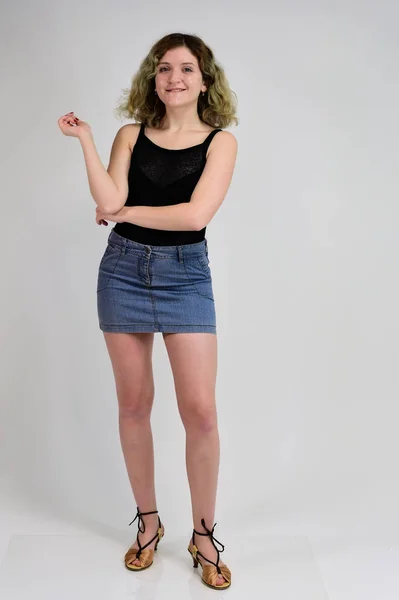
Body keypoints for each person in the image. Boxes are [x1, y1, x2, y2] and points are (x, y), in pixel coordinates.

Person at [58, 32, 238, 590]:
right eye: (164, 69)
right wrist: (87, 140)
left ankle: (203, 535)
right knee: (134, 405)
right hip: (123, 271)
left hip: (186, 276)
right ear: (152, 79)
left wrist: (127, 209)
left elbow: (193, 216)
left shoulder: (222, 143)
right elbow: (107, 203)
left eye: (186, 69)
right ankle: (150, 524)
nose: (174, 78)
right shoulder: (129, 134)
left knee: (200, 411)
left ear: (205, 80)